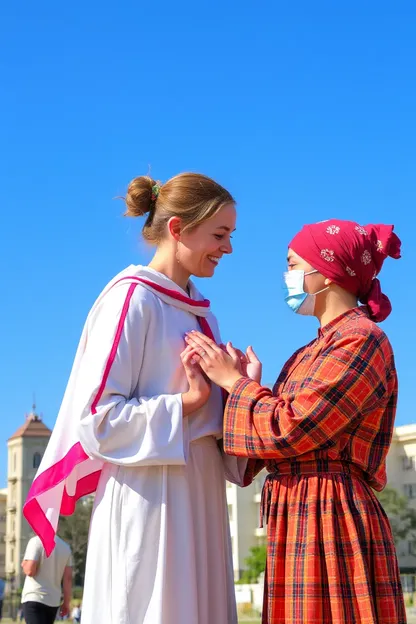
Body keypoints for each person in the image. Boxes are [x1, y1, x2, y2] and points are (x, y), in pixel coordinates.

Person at [23, 172, 246, 624]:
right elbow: (98, 418)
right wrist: (186, 403)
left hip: (200, 492)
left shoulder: (206, 317)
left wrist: (239, 392)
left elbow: (209, 418)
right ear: (178, 228)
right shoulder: (132, 300)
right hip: (149, 496)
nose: (228, 249)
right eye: (219, 235)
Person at [185, 219, 406, 624]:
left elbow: (293, 427)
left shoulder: (362, 339)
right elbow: (264, 446)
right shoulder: (305, 354)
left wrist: (236, 384)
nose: (286, 276)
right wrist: (246, 390)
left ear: (326, 270)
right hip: (297, 509)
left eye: (291, 263)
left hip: (332, 509)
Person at [21, 534, 72, 624]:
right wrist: (66, 603)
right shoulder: (65, 547)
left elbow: (30, 571)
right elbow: (67, 578)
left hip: (34, 596)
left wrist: (24, 563)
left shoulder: (36, 541)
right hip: (53, 601)